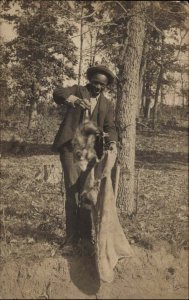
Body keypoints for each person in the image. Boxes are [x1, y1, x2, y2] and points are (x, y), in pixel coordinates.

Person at [52, 65, 118, 253]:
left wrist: (112, 141)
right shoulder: (78, 91)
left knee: (88, 194)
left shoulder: (106, 103)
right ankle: (71, 239)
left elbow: (111, 126)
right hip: (71, 150)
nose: (98, 87)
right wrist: (71, 99)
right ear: (90, 80)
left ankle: (86, 237)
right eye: (95, 83)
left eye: (102, 85)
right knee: (72, 193)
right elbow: (58, 92)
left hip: (91, 153)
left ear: (106, 86)